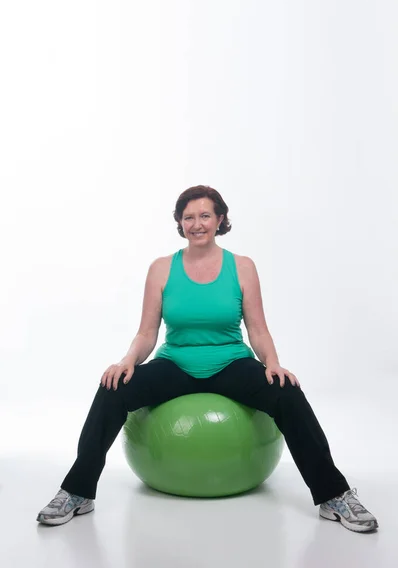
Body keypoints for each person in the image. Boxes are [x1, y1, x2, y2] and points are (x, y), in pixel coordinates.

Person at [37, 185, 378, 533]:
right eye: (188, 217)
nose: (196, 224)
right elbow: (146, 332)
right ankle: (77, 492)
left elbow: (258, 330)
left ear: (220, 220)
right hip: (175, 363)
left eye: (204, 216)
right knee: (113, 388)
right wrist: (128, 361)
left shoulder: (242, 267)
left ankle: (334, 495)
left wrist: (272, 363)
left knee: (287, 393)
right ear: (180, 223)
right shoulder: (161, 268)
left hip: (231, 362)